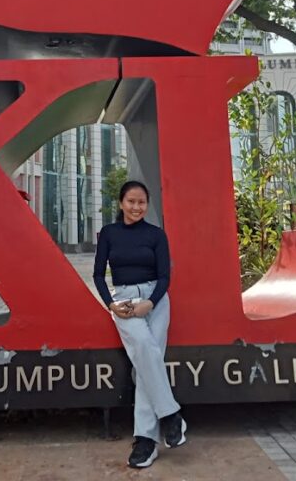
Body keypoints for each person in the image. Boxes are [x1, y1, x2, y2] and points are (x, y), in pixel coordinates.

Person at [93, 180, 186, 469]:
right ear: (121, 203)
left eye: (141, 202)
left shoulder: (156, 235)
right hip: (124, 301)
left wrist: (151, 302)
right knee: (146, 350)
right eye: (131, 202)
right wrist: (111, 303)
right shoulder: (109, 233)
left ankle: (146, 441)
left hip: (155, 300)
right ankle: (171, 416)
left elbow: (164, 277)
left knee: (148, 361)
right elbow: (98, 275)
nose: (136, 207)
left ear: (147, 205)